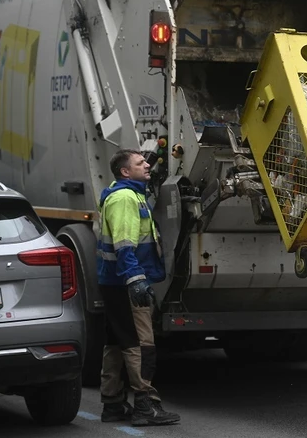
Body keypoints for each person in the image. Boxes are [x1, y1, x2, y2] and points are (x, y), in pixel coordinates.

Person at [96, 149, 180, 426]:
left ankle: (112, 404)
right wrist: (135, 279)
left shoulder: (128, 193)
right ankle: (145, 405)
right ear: (125, 172)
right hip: (125, 282)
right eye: (140, 163)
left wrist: (149, 160)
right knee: (140, 344)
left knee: (116, 342)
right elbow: (124, 245)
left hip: (114, 281)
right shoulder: (124, 199)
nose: (147, 165)